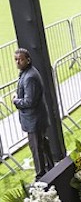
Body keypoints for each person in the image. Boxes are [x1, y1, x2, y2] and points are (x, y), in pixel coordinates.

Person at [12, 48, 54, 180]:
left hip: (34, 120)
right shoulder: (27, 73)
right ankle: (51, 168)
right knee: (42, 144)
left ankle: (41, 175)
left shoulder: (30, 77)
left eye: (21, 59)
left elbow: (29, 101)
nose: (18, 62)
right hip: (35, 119)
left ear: (28, 60)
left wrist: (15, 101)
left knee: (37, 148)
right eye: (16, 60)